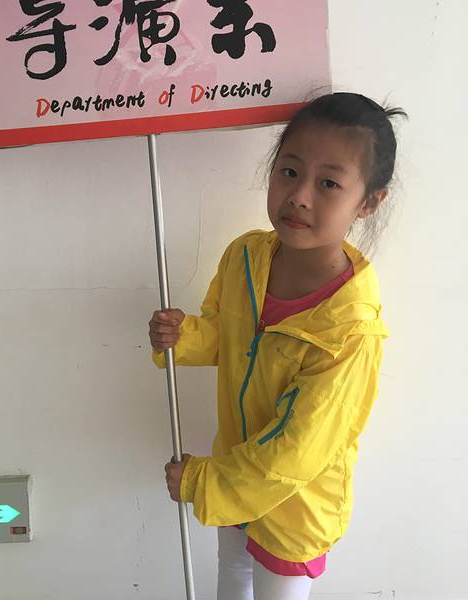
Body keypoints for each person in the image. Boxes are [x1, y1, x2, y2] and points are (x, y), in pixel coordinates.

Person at [148, 92, 407, 600]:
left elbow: (297, 450)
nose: (300, 196)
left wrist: (203, 483)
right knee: (232, 576)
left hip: (295, 508)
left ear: (369, 201)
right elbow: (229, 335)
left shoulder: (351, 329)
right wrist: (185, 336)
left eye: (328, 183)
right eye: (289, 171)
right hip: (235, 471)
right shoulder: (245, 256)